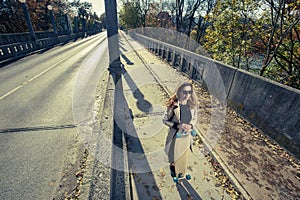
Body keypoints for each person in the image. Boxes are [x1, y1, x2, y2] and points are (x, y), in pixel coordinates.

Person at [163, 82, 198, 178]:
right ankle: (173, 169)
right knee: (173, 157)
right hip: (175, 136)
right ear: (179, 92)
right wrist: (176, 125)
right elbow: (165, 120)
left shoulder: (192, 105)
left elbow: (195, 118)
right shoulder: (173, 105)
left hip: (186, 137)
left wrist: (191, 125)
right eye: (185, 92)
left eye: (190, 92)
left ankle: (180, 172)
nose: (187, 95)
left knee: (182, 157)